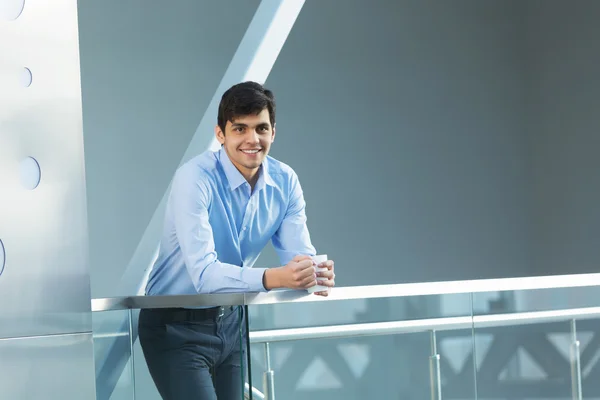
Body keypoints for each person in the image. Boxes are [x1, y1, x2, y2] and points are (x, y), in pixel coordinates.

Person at [138, 81, 336, 400]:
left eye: (261, 128)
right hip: (174, 325)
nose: (251, 139)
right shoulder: (195, 178)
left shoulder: (285, 181)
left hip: (232, 322)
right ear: (221, 134)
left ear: (273, 132)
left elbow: (299, 255)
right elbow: (204, 275)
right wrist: (273, 278)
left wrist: (314, 272)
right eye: (240, 128)